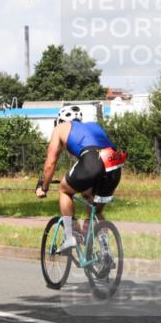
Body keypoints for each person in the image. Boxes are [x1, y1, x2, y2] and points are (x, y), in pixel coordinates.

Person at [35, 105, 126, 251]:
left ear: (60, 120)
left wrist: (44, 187)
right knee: (93, 207)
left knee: (64, 190)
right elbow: (100, 161)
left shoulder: (61, 128)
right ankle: (105, 252)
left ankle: (71, 236)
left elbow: (50, 164)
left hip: (92, 159)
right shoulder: (93, 126)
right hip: (115, 162)